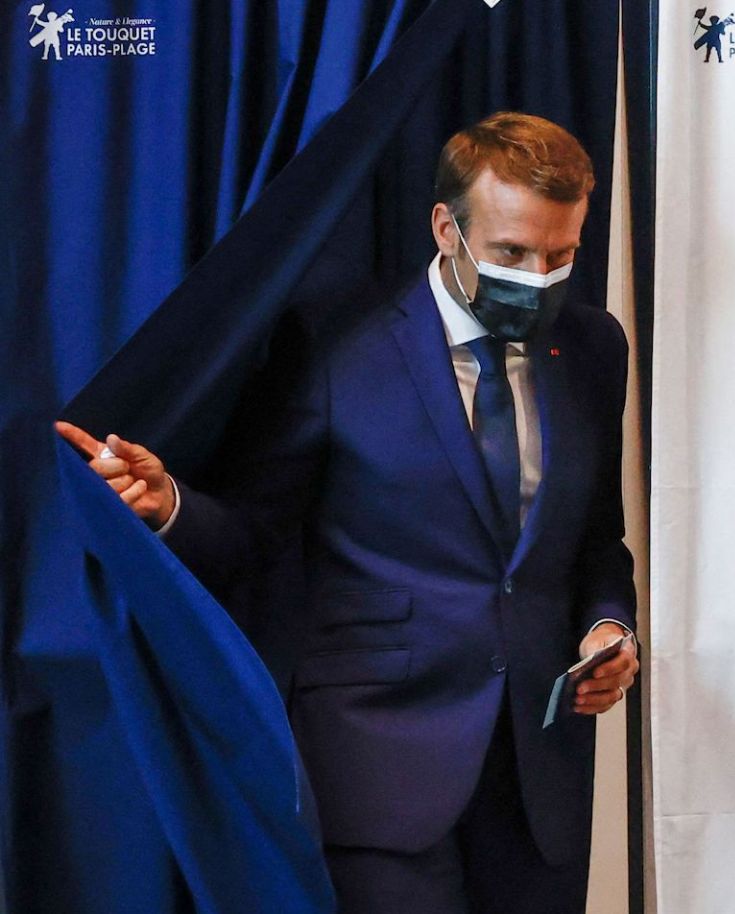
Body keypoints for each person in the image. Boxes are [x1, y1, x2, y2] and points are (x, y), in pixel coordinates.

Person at [56, 112, 638, 914]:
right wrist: (170, 506)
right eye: (511, 253)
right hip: (379, 766)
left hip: (539, 780)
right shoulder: (340, 341)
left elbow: (595, 539)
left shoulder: (595, 348)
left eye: (560, 254)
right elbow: (258, 532)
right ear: (446, 228)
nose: (538, 276)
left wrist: (612, 628)